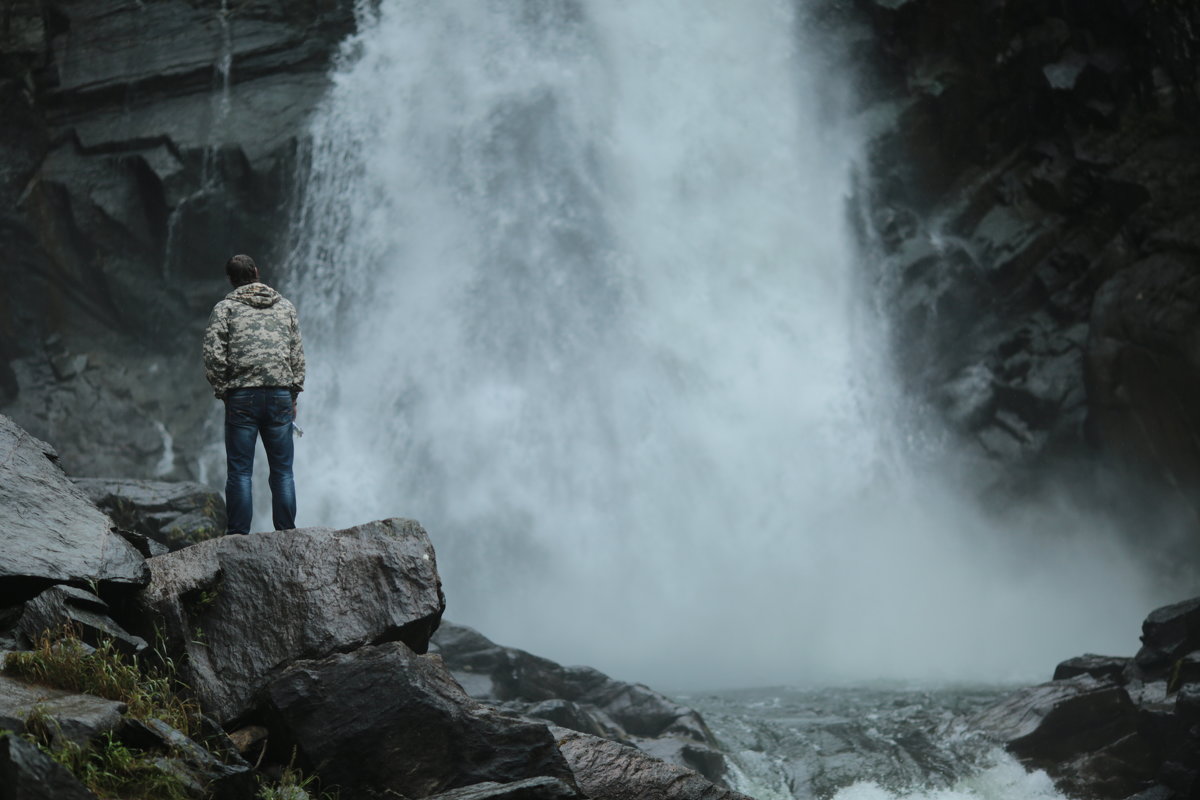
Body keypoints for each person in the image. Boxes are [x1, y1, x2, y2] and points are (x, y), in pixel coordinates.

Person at [203, 254, 306, 535]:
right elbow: (297, 355)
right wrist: (294, 395)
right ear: (257, 272)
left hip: (242, 398)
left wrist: (225, 391)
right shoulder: (285, 307)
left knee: (240, 473)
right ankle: (287, 534)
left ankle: (237, 538)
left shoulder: (225, 309)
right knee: (283, 472)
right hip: (280, 397)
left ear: (231, 279)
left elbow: (212, 355)